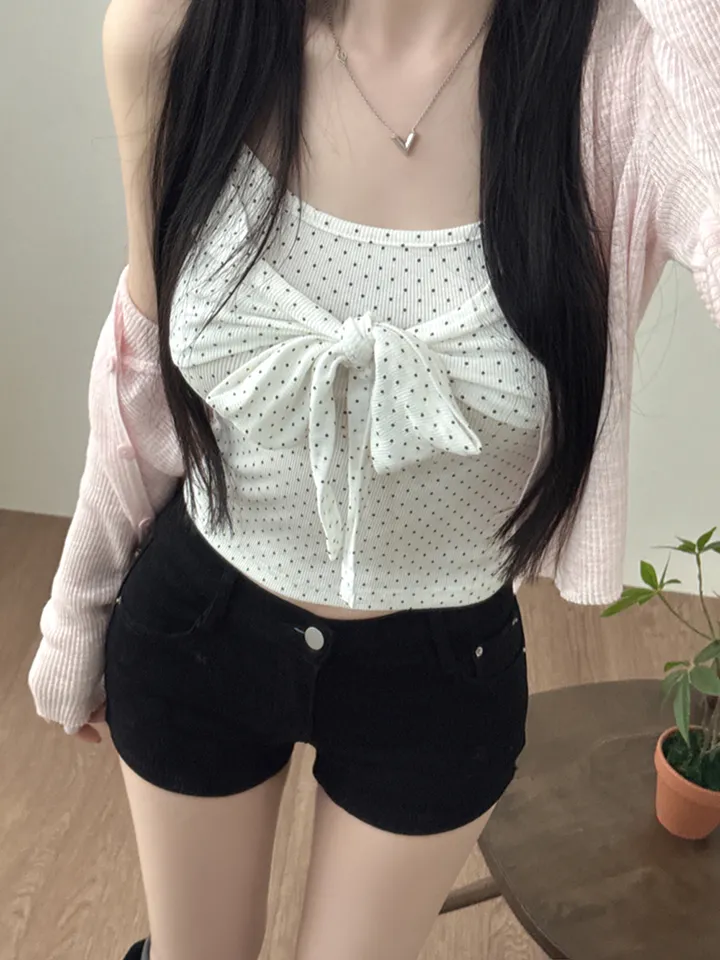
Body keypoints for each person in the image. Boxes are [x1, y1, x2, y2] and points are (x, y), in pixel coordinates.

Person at [28, 1, 720, 959]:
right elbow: (139, 363)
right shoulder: (175, 27)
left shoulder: (627, 77)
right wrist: (77, 607)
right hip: (198, 621)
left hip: (440, 667)